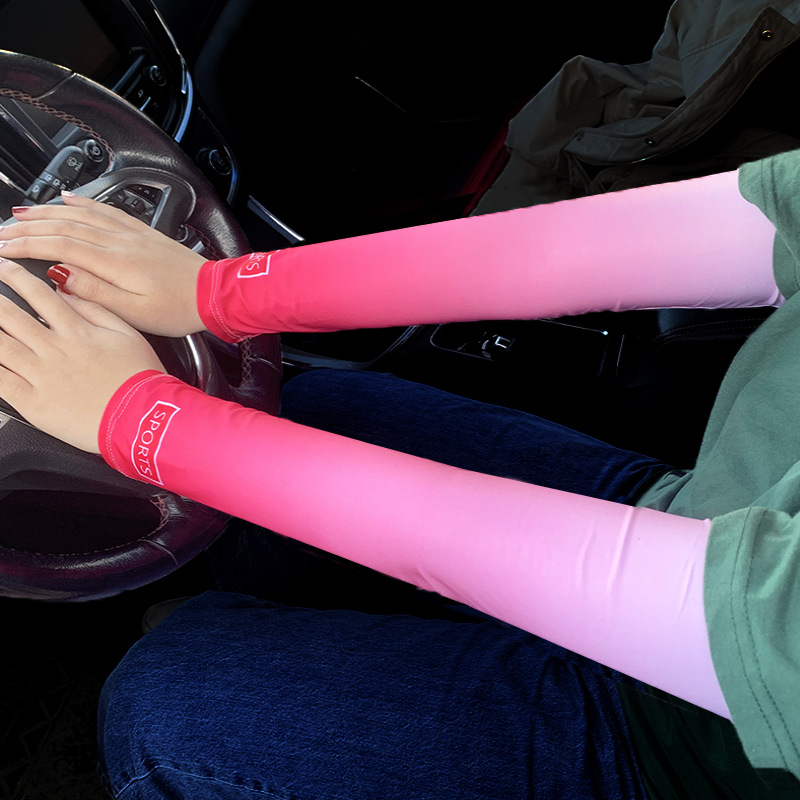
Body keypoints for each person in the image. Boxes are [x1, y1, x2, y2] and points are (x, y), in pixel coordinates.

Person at [0, 149, 797, 798]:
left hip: (697, 748)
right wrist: (220, 293)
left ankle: (240, 663)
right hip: (716, 514)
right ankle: (269, 639)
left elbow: (722, 619)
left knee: (165, 708)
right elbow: (712, 230)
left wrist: (144, 423)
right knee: (314, 412)